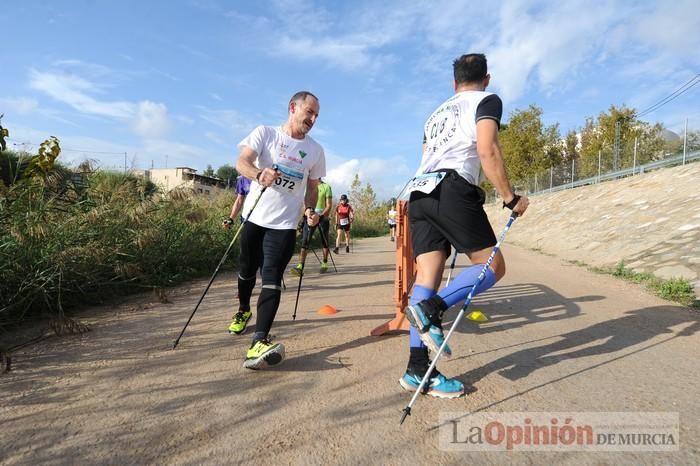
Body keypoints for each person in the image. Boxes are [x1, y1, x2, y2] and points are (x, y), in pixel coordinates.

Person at [401, 53, 529, 398]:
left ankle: (417, 370)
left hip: (419, 192)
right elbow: (486, 149)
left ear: (454, 83)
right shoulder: (487, 100)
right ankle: (431, 310)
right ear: (486, 79)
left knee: (426, 275)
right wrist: (509, 197)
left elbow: (426, 155)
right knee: (492, 266)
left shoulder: (435, 114)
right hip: (452, 189)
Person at [230, 91, 326, 370]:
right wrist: (258, 174)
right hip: (254, 216)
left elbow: (312, 188)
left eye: (316, 116)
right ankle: (243, 310)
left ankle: (258, 341)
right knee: (247, 271)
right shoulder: (265, 133)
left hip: (284, 224)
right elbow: (242, 161)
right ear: (292, 107)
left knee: (271, 277)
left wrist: (311, 210)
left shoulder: (316, 150)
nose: (312, 119)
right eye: (309, 112)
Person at [290, 178, 333, 275]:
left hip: (322, 217)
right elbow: (304, 203)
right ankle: (300, 266)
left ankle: (325, 263)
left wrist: (321, 216)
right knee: (305, 240)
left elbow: (329, 205)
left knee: (324, 240)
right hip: (309, 216)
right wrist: (303, 216)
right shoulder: (307, 186)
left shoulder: (326, 187)